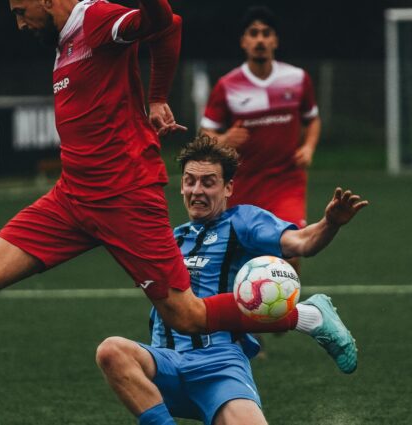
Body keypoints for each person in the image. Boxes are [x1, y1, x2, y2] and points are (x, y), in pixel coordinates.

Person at [0, 0, 353, 411]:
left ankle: (309, 316)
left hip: (126, 196)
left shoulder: (96, 19)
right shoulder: (64, 40)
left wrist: (159, 93)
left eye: (18, 11)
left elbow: (165, 21)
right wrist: (156, 96)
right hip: (72, 197)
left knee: (187, 317)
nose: (18, 24)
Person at [95, 135, 365, 425]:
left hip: (219, 367)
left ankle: (308, 315)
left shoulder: (243, 222)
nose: (196, 190)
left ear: (228, 188)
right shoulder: (172, 238)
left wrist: (329, 224)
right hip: (166, 362)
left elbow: (301, 242)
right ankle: (307, 316)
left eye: (208, 182)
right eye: (189, 181)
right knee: (112, 351)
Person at [200, 6, 321, 274]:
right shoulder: (228, 85)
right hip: (243, 186)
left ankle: (286, 315)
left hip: (286, 181)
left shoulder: (297, 79)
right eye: (253, 34)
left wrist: (309, 146)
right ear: (244, 41)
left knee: (289, 254)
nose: (260, 40)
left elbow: (312, 118)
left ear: (275, 40)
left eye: (266, 34)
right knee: (242, 261)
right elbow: (206, 133)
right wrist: (224, 139)